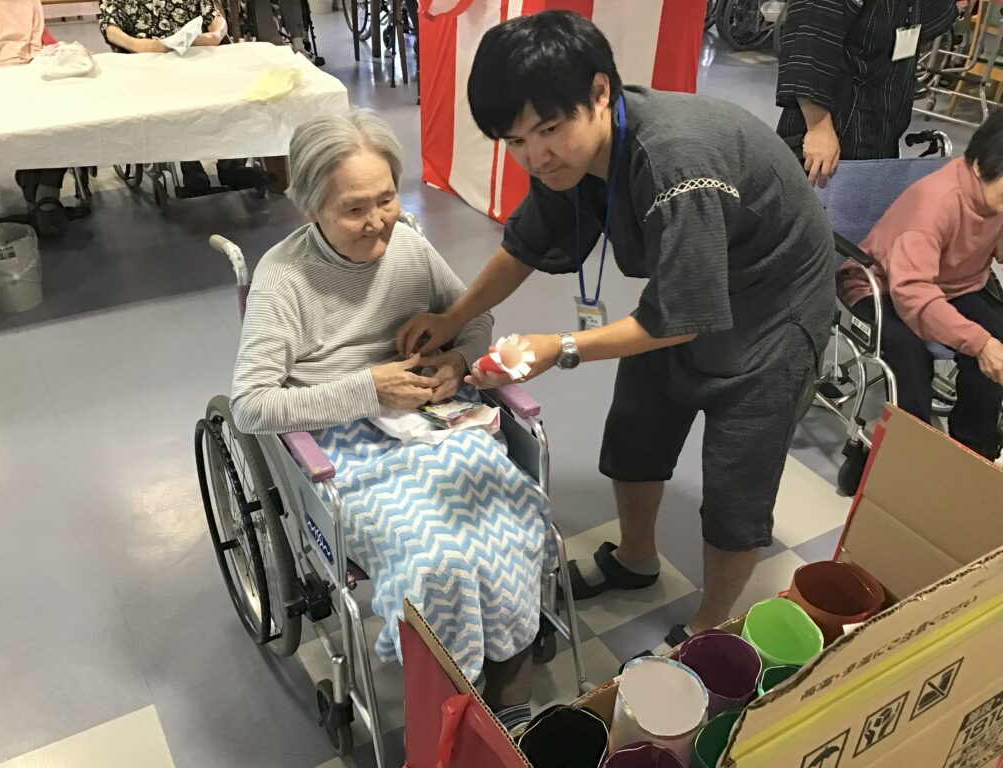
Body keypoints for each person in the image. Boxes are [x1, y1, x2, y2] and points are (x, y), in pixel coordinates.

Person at [397, 11, 836, 649]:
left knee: (736, 484)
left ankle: (707, 628)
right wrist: (452, 318)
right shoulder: (571, 158)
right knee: (636, 428)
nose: (535, 156)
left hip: (774, 313)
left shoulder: (676, 163)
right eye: (515, 141)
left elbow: (680, 320)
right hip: (688, 290)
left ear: (600, 91)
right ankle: (635, 558)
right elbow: (524, 246)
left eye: (548, 130)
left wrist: (560, 347)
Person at [230, 110, 551, 732]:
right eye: (355, 209)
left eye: (386, 198)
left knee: (511, 517)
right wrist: (367, 389)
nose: (379, 220)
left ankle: (510, 689)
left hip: (436, 419)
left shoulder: (408, 244)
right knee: (437, 561)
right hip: (344, 442)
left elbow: (474, 316)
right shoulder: (283, 278)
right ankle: (452, 697)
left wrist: (457, 360)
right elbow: (251, 404)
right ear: (311, 207)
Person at [838, 110, 1003, 460]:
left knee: (998, 338)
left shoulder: (994, 195)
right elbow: (913, 295)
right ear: (979, 168)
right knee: (909, 353)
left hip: (952, 284)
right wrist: (978, 343)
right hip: (881, 285)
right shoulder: (935, 204)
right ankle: (908, 457)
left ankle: (973, 452)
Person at [776, 0, 958, 186]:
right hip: (834, 122)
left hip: (882, 119)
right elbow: (808, 40)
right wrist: (818, 127)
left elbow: (918, 21)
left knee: (871, 195)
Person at [98, 0, 269, 192]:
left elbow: (214, 16)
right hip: (150, 64)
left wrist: (215, 35)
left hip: (196, 57)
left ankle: (231, 162)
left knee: (234, 91)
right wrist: (138, 45)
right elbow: (110, 27)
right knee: (176, 99)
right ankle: (190, 165)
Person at [0, 0, 69, 236]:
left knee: (62, 117)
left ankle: (45, 193)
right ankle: (39, 198)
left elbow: (41, 35)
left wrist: (59, 53)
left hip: (32, 72)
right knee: (20, 124)